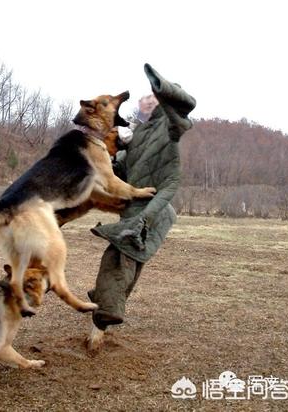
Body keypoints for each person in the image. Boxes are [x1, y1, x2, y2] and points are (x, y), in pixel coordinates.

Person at [86, 64, 196, 351]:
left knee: (116, 261)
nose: (144, 100)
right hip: (140, 210)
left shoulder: (169, 126)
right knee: (128, 265)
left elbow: (182, 114)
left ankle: (100, 321)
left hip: (150, 212)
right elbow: (123, 172)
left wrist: (161, 88)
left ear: (162, 102)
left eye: (150, 97)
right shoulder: (138, 135)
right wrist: (108, 160)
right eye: (145, 97)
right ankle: (103, 307)